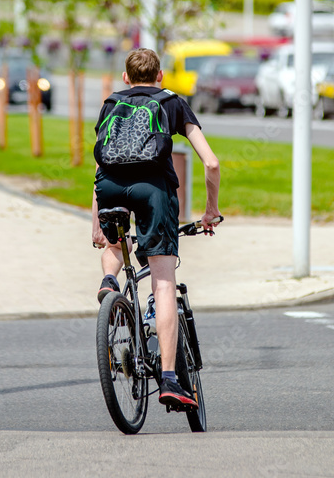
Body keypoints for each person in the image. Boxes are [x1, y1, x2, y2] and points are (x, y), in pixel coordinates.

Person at [91, 48, 221, 410]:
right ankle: (168, 378)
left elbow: (101, 165)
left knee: (115, 243)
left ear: (126, 78)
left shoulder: (111, 103)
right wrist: (210, 210)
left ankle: (109, 282)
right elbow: (211, 163)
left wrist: (96, 222)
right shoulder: (171, 102)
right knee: (163, 282)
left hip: (110, 188)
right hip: (154, 191)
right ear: (160, 76)